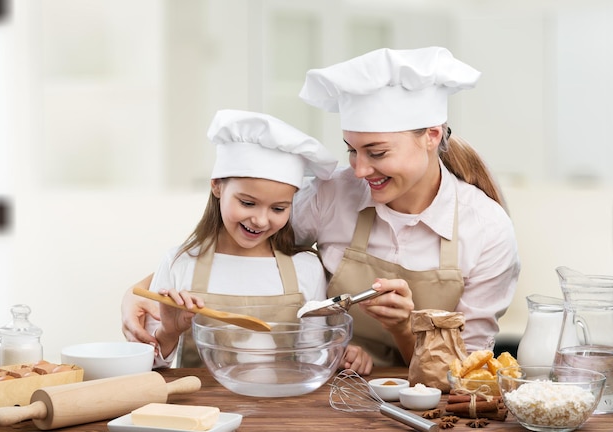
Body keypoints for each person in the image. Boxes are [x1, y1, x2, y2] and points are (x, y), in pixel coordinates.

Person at [123, 47, 520, 369]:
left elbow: (464, 371)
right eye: (352, 150)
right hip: (327, 385)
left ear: (432, 135)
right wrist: (140, 292)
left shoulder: (486, 229)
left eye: (376, 152)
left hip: (425, 397)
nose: (360, 170)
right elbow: (242, 238)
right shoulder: (334, 195)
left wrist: (404, 327)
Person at [143, 109, 372, 374]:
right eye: (248, 203)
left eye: (278, 209)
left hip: (284, 409)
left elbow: (315, 357)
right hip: (203, 411)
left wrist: (343, 355)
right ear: (217, 186)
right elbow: (149, 367)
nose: (261, 221)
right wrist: (169, 332)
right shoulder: (179, 263)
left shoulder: (305, 267)